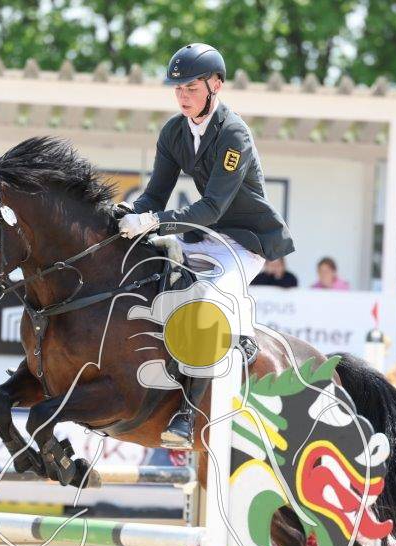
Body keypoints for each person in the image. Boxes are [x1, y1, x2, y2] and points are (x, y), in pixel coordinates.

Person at [115, 42, 294, 448]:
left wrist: (153, 222)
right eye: (178, 89)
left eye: (191, 88)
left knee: (205, 300)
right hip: (205, 236)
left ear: (216, 85)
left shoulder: (234, 134)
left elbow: (212, 207)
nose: (183, 96)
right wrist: (125, 214)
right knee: (153, 280)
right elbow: (153, 196)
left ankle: (187, 412)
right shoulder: (174, 132)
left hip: (244, 242)